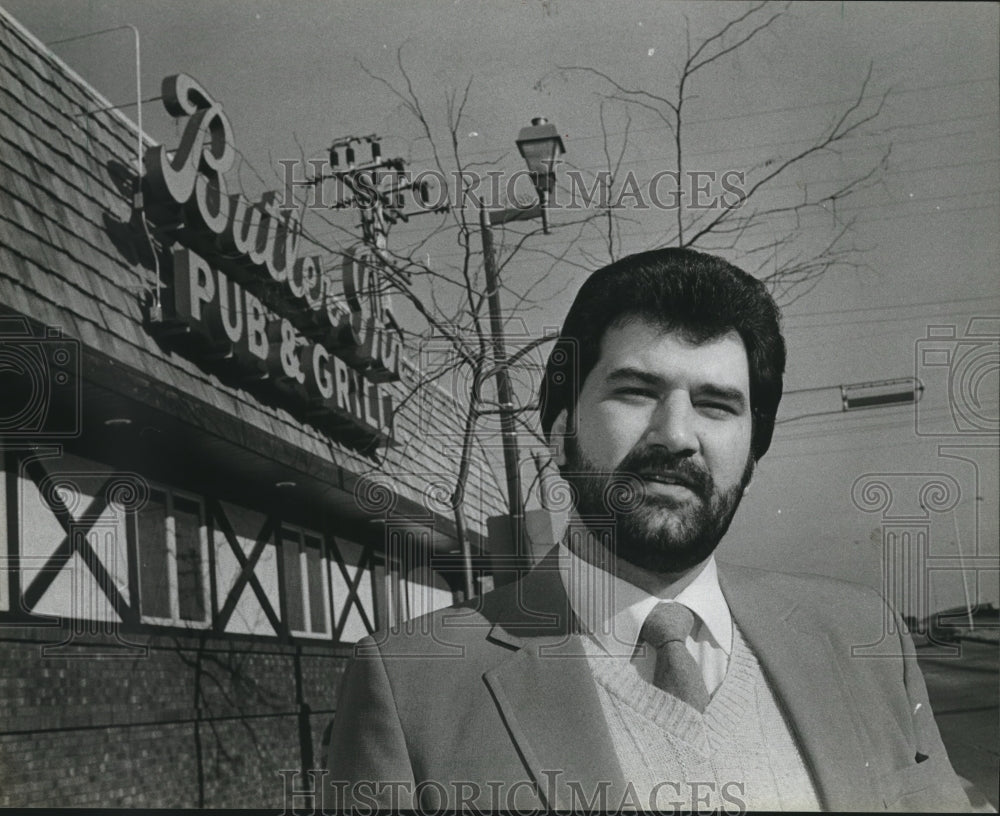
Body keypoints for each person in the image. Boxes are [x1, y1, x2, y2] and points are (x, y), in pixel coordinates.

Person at [327, 248, 973, 812]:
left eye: (716, 404)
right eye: (636, 391)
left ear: (751, 458)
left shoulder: (864, 638)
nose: (676, 435)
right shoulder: (413, 687)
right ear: (561, 433)